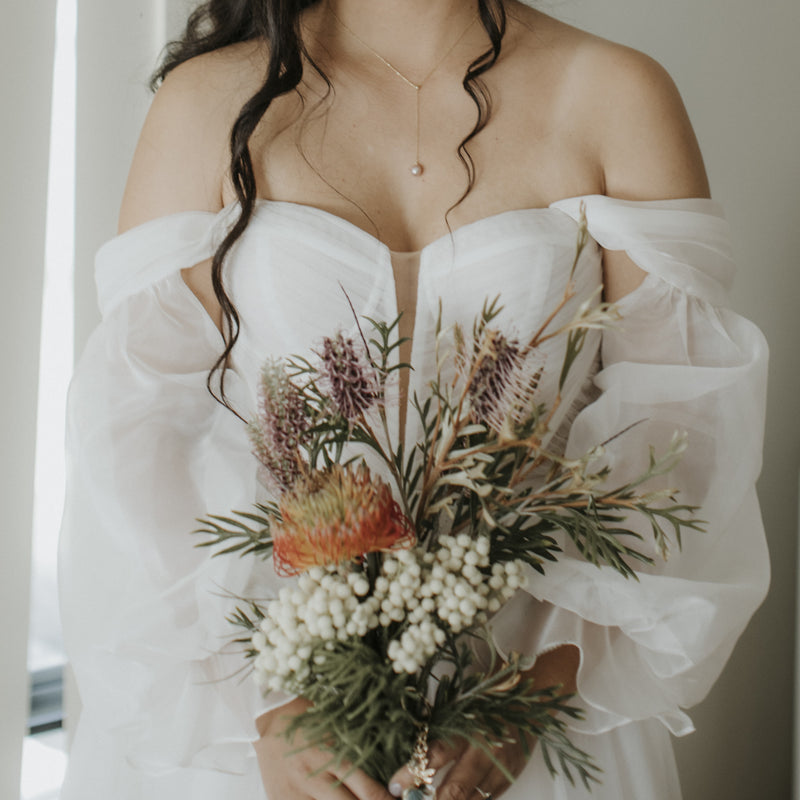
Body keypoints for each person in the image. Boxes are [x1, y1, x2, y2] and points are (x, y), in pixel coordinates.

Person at [58, 1, 769, 798]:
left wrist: (540, 682)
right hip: (264, 722)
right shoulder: (207, 103)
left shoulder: (615, 93)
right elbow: (141, 434)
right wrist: (269, 702)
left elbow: (682, 423)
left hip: (528, 707)